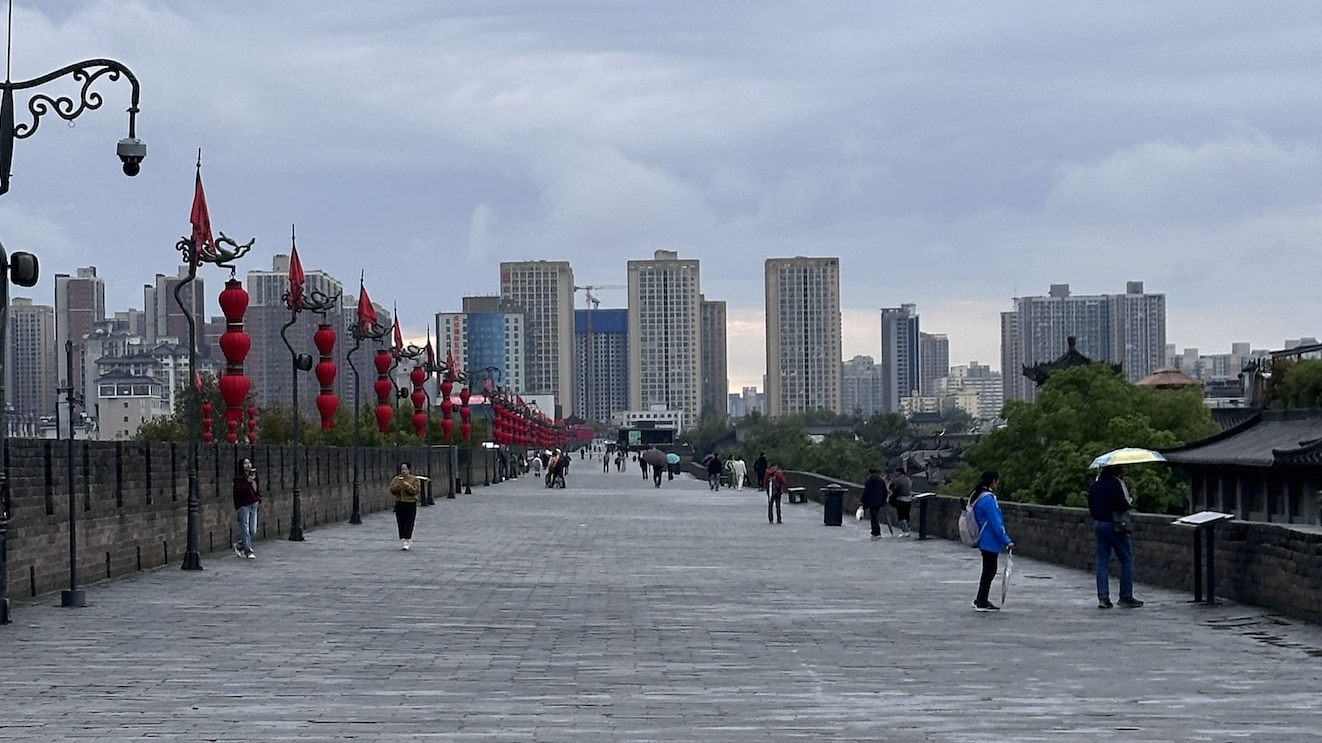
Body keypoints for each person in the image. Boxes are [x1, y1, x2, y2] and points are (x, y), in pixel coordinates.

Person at [1089, 465, 1144, 609]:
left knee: (1102, 562)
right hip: (1115, 525)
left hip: (1099, 523)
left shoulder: (1096, 483)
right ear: (1114, 469)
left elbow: (1090, 503)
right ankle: (1125, 596)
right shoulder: (1116, 483)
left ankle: (1103, 598)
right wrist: (1131, 498)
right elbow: (1124, 505)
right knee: (1126, 559)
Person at [970, 470, 1013, 611]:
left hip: (984, 538)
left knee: (988, 570)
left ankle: (981, 598)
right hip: (990, 539)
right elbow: (996, 522)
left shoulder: (977, 496)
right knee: (990, 570)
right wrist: (1006, 540)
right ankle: (981, 600)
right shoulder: (989, 499)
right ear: (993, 481)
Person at [231, 457, 260, 559]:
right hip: (243, 505)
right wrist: (248, 481)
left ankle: (239, 545)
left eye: (249, 463)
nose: (248, 465)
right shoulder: (239, 479)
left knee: (252, 530)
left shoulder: (253, 476)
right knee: (245, 528)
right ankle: (248, 551)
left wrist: (258, 497)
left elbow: (256, 489)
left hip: (253, 503)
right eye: (245, 463)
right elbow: (240, 491)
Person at [390, 462, 422, 550]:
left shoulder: (414, 479)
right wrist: (398, 486)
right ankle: (404, 537)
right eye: (402, 469)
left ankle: (407, 539)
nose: (403, 471)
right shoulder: (396, 479)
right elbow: (392, 490)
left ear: (409, 470)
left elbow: (415, 491)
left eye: (405, 469)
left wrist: (407, 486)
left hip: (410, 502)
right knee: (401, 522)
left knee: (409, 521)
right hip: (399, 502)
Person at [860, 467, 886, 538]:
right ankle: (874, 531)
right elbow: (885, 491)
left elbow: (866, 492)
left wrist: (862, 501)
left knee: (873, 516)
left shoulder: (869, 481)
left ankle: (876, 531)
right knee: (875, 515)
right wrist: (884, 500)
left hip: (871, 501)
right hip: (879, 501)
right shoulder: (881, 481)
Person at [888, 467, 914, 537]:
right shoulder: (908, 479)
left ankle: (905, 531)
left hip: (901, 499)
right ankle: (908, 529)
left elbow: (894, 489)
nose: (895, 474)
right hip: (909, 499)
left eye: (896, 472)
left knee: (901, 515)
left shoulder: (898, 480)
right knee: (907, 515)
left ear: (899, 472)